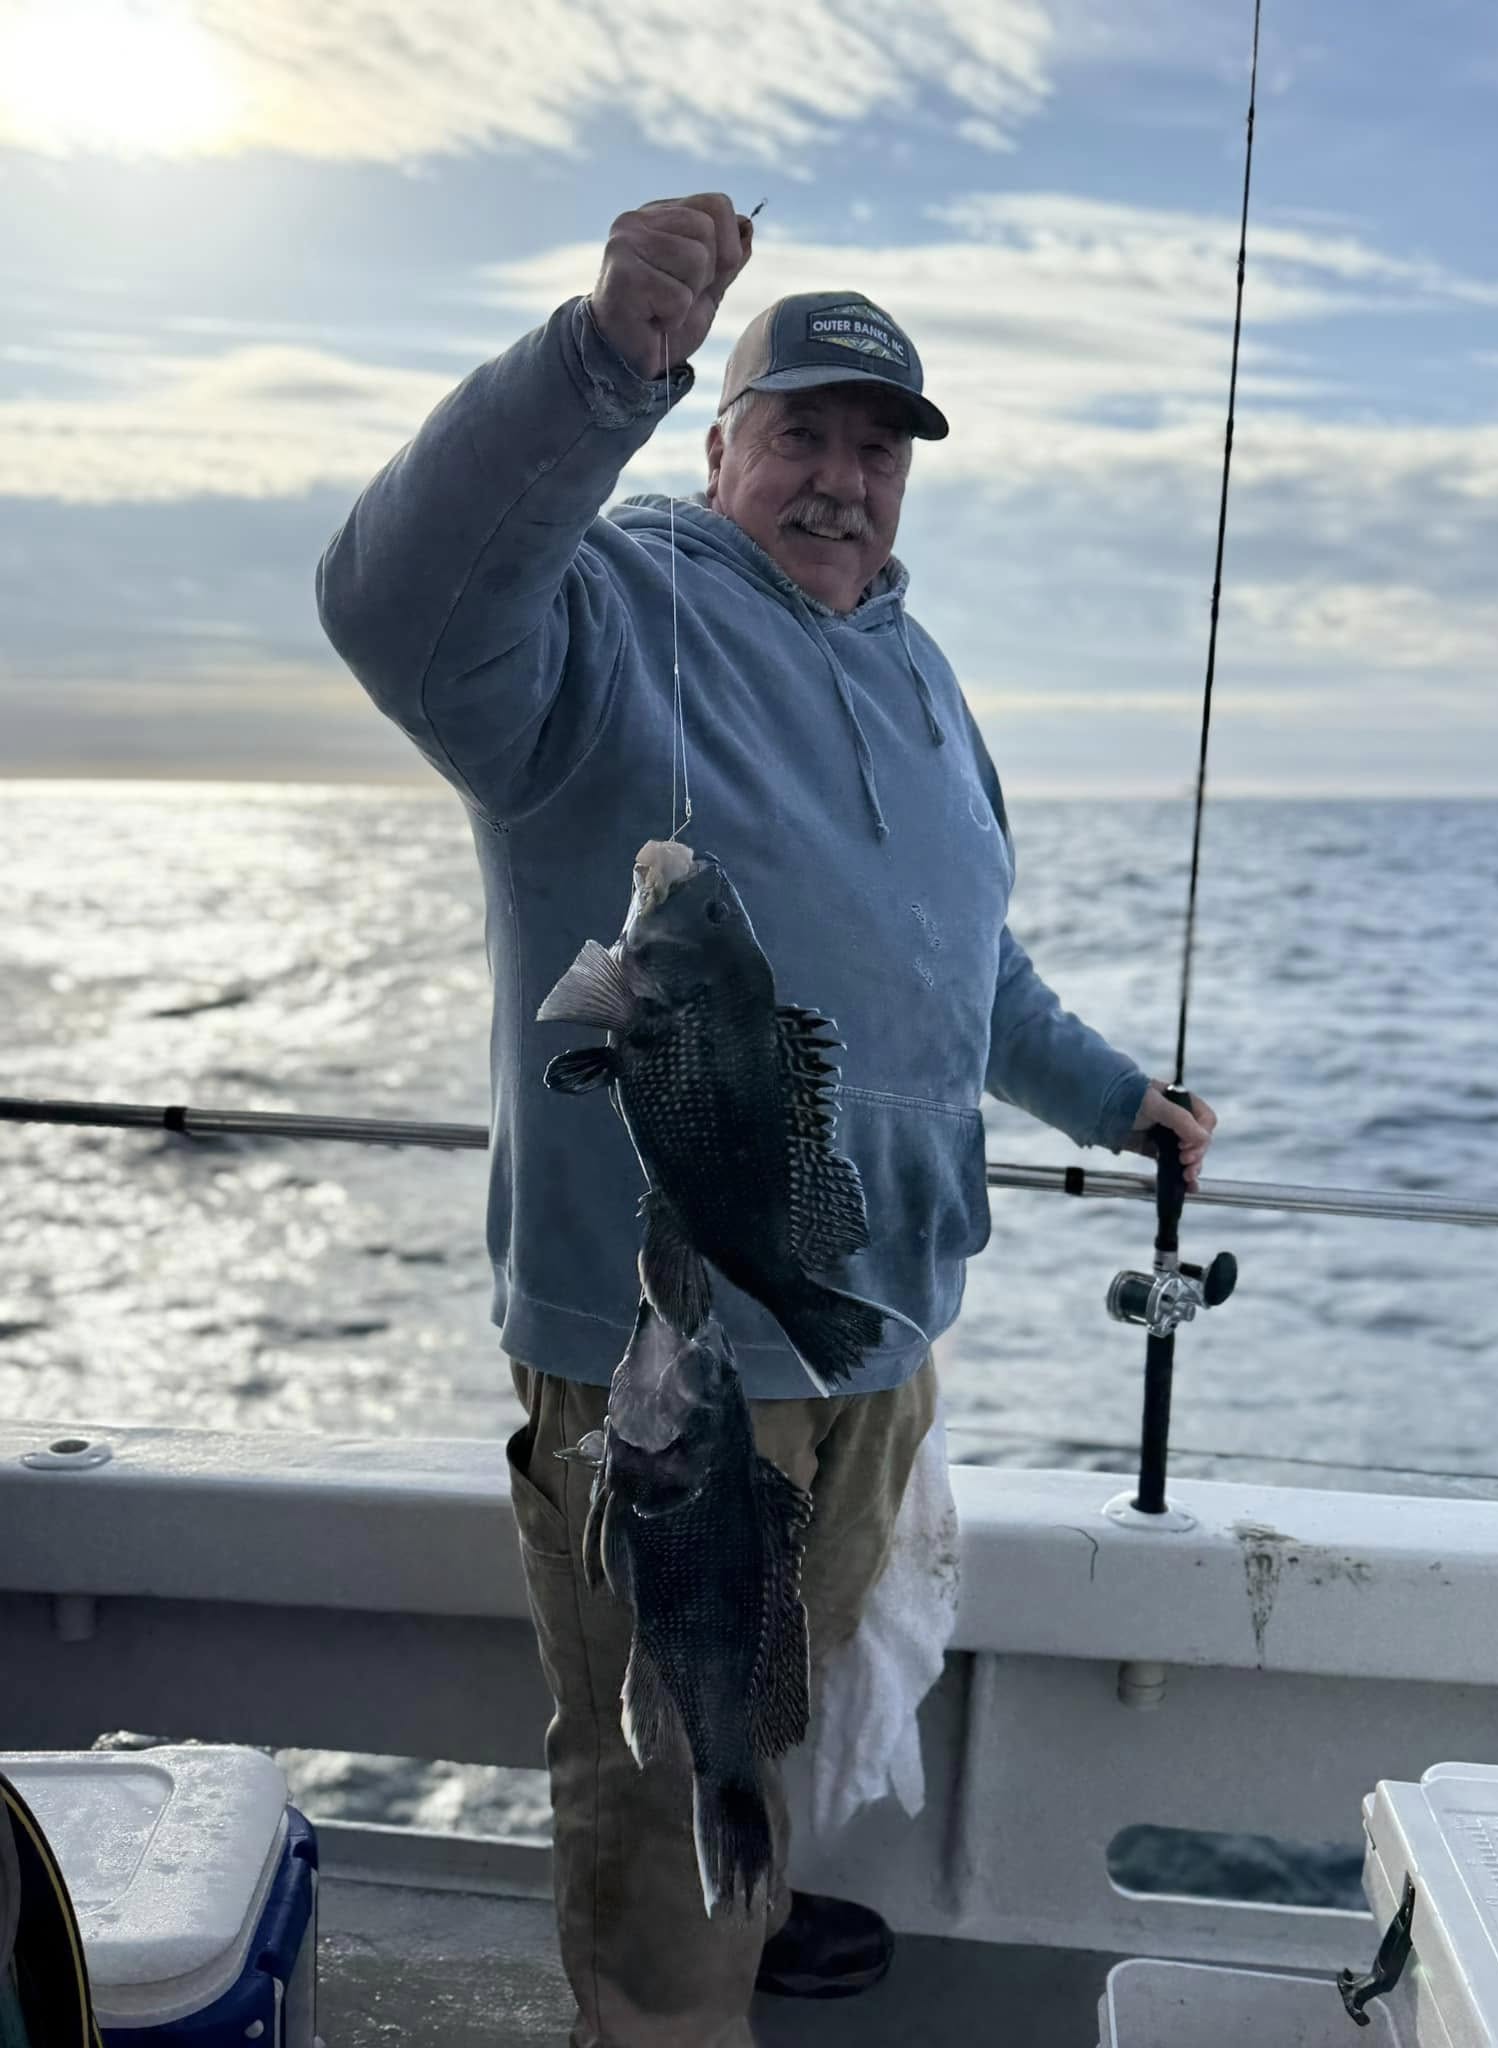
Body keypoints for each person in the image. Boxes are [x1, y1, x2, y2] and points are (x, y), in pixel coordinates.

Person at [316, 192, 1217, 2048]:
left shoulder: (917, 669)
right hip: (677, 1359)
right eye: (800, 431)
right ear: (719, 440)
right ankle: (666, 2010)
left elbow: (965, 969)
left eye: (878, 448)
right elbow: (394, 608)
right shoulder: (606, 617)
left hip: (878, 1338)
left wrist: (1114, 1098)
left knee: (766, 1708)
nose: (841, 480)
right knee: (662, 1767)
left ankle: (749, 1913)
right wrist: (599, 363)